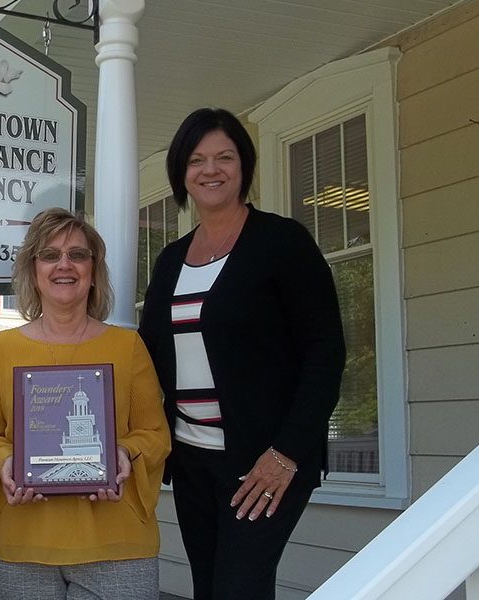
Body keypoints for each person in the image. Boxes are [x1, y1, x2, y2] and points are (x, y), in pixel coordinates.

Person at [138, 108, 347, 600]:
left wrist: (287, 453)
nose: (211, 170)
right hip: (191, 461)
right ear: (181, 173)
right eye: (197, 160)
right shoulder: (172, 260)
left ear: (243, 166)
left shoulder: (282, 243)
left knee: (240, 590)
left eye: (224, 157)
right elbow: (148, 355)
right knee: (210, 588)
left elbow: (325, 352)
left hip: (264, 462)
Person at [0, 208, 171, 600]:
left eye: (78, 255)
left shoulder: (127, 346)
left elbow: (155, 435)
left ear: (94, 270)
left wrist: (124, 453)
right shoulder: (3, 348)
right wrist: (8, 461)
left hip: (116, 544)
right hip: (19, 544)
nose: (65, 265)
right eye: (50, 254)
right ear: (33, 268)